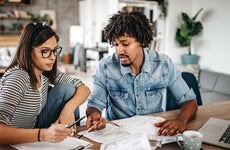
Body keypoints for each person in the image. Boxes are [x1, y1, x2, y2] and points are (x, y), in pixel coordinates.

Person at [86, 11, 198, 136]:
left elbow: (189, 101)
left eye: (125, 44)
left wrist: (181, 121)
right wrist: (94, 115)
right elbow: (94, 104)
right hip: (118, 135)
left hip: (154, 133)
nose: (119, 50)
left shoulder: (163, 64)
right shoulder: (105, 66)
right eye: (116, 44)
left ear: (141, 41)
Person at [0, 22, 90, 144]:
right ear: (28, 50)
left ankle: (73, 140)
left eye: (54, 50)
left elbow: (84, 89)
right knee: (66, 89)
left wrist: (69, 108)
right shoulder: (18, 77)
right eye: (45, 51)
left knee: (68, 89)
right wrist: (43, 134)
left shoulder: (46, 72)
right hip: (13, 140)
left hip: (33, 130)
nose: (52, 57)